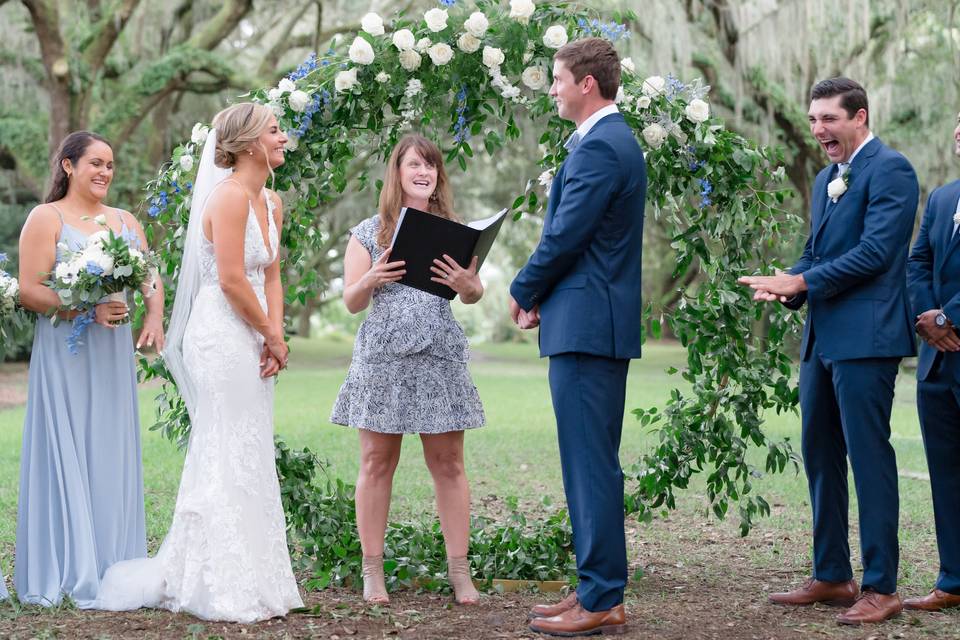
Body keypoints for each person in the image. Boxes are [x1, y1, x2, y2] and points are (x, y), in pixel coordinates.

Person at [94, 103, 302, 622]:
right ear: (250, 144)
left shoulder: (272, 201)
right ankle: (216, 580)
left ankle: (260, 577)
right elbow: (231, 279)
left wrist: (275, 337)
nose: (283, 138)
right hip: (222, 332)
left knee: (250, 448)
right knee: (225, 445)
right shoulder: (227, 197)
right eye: (275, 131)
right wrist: (269, 336)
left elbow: (271, 276)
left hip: (254, 331)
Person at [739, 78, 919, 625]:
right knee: (820, 454)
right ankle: (832, 574)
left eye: (829, 119)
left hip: (867, 338)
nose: (819, 130)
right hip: (820, 338)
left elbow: (875, 254)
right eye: (813, 120)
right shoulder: (826, 179)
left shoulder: (892, 169)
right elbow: (817, 251)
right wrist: (786, 279)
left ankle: (882, 586)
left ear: (859, 117)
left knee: (868, 457)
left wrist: (803, 284)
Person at [509, 38, 645, 637]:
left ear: (587, 83)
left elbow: (566, 234)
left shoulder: (603, 147)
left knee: (591, 466)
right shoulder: (602, 143)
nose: (553, 89)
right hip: (583, 318)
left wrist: (524, 288)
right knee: (585, 462)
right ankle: (594, 588)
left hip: (590, 326)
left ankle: (603, 599)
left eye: (558, 79)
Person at [330, 134, 486, 605]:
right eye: (414, 164)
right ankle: (372, 572)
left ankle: (460, 571)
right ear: (397, 173)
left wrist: (468, 285)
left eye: (431, 165)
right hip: (383, 359)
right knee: (377, 463)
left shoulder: (456, 231)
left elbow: (474, 293)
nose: (424, 172)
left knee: (449, 464)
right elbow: (352, 302)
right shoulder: (367, 232)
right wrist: (371, 277)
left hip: (439, 357)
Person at [14, 131, 164, 607]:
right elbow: (29, 289)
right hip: (67, 352)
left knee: (108, 445)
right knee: (71, 442)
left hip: (112, 353)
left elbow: (149, 274)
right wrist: (84, 308)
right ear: (68, 166)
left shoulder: (124, 221)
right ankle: (67, 561)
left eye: (111, 165)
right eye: (95, 163)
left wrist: (154, 316)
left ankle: (112, 561)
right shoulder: (46, 218)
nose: (104, 172)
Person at [903, 109, 960, 613]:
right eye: (959, 123)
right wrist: (928, 318)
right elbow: (917, 260)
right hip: (938, 364)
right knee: (946, 475)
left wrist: (950, 317)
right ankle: (953, 578)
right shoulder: (943, 198)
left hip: (953, 337)